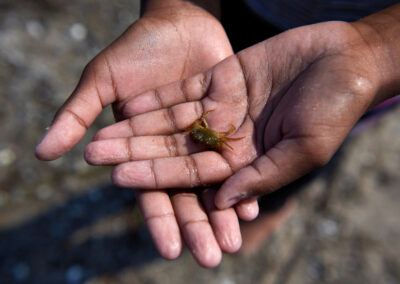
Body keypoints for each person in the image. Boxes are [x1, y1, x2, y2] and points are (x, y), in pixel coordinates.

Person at [35, 0, 400, 268]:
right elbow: (203, 129)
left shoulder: (214, 133)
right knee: (245, 101)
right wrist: (176, 8)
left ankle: (275, 206)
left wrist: (376, 51)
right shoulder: (204, 130)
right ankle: (267, 205)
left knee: (301, 141)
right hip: (234, 11)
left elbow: (212, 131)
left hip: (370, 64)